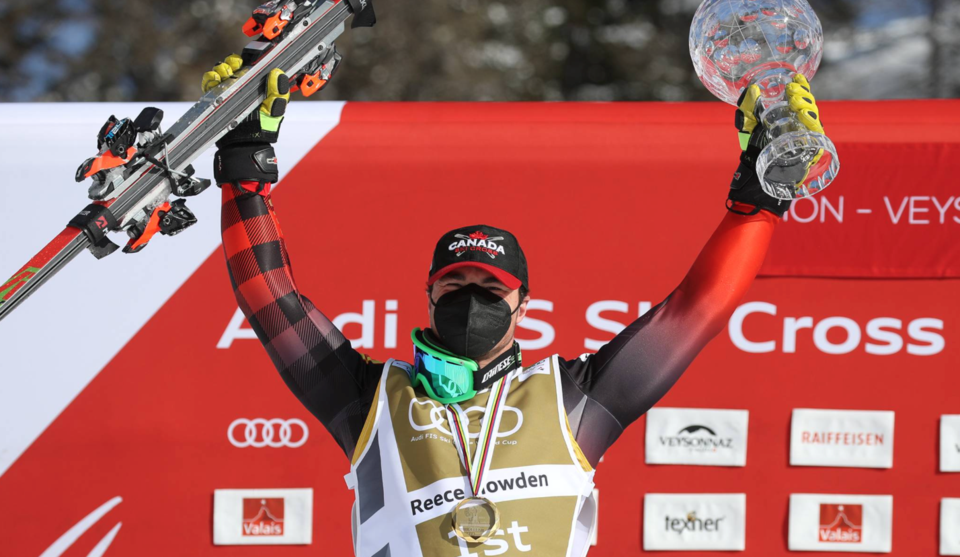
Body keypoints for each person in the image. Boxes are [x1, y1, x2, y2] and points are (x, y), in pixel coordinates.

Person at [203, 56, 825, 556]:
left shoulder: (574, 400)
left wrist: (759, 202)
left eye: (490, 288)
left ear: (522, 303)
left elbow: (696, 311)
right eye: (455, 285)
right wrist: (244, 174)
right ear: (429, 294)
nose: (472, 299)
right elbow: (268, 296)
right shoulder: (372, 398)